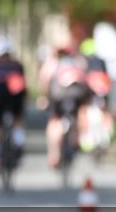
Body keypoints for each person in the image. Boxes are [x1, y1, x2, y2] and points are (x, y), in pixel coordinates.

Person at [38, 41, 89, 169]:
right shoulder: (79, 62)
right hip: (77, 95)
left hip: (58, 96)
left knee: (54, 120)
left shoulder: (52, 63)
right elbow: (86, 81)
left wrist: (44, 97)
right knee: (78, 115)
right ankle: (76, 141)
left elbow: (44, 80)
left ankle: (54, 155)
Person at [0, 36, 27, 171]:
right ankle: (19, 143)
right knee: (18, 119)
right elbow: (24, 85)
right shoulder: (17, 65)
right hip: (16, 97)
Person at [78, 38, 113, 153]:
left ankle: (84, 136)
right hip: (103, 87)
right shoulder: (101, 61)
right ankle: (106, 135)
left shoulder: (82, 61)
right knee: (105, 110)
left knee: (83, 108)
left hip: (88, 88)